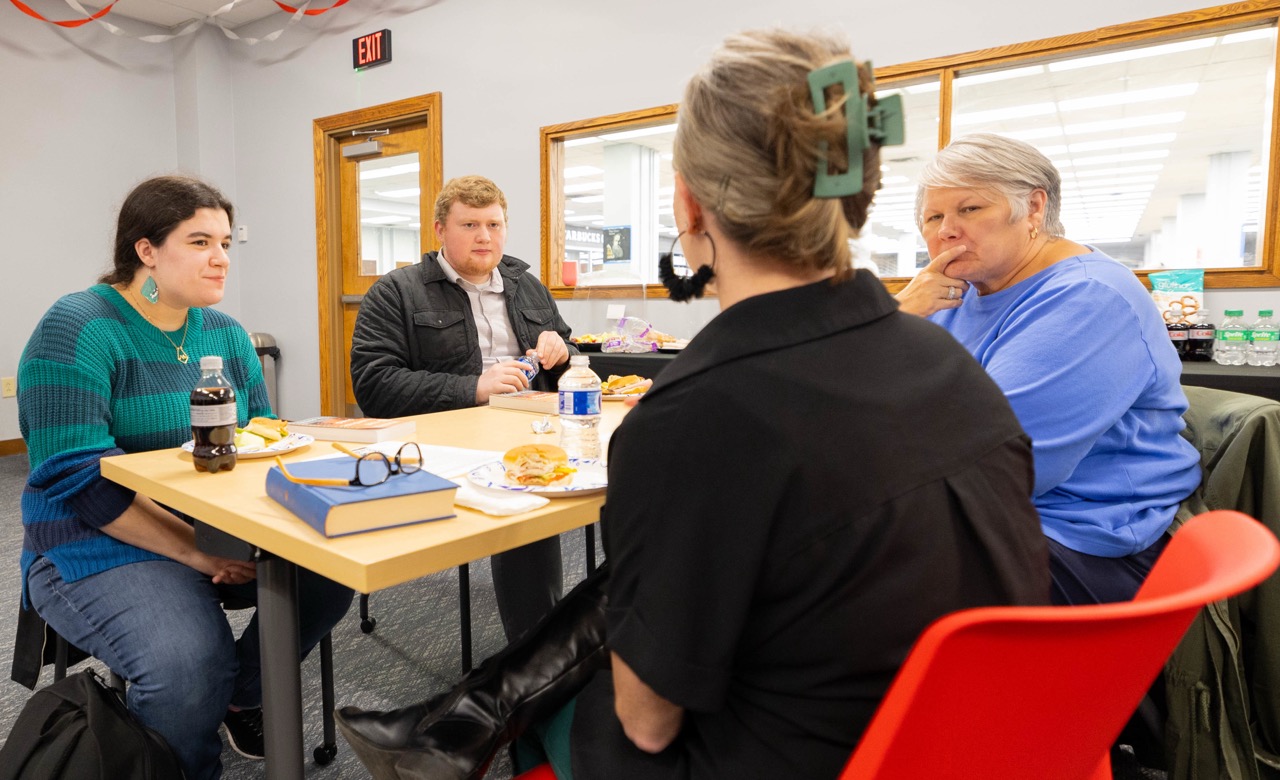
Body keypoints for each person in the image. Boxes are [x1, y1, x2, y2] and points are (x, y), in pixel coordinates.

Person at [336, 30, 1049, 780]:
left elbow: (648, 723)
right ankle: (466, 718)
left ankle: (473, 726)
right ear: (860, 195)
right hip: (971, 743)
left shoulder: (686, 421)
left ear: (688, 202)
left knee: (571, 712)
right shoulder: (956, 368)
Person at [17, 175, 353, 780]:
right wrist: (198, 552)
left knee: (330, 572)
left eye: (226, 243)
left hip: (215, 526)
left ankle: (236, 695)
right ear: (146, 250)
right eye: (200, 242)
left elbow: (260, 437)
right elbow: (75, 479)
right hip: (93, 541)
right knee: (188, 661)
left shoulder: (224, 333)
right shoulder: (79, 327)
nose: (221, 258)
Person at [895, 133, 1202, 608]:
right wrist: (897, 318)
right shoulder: (954, 292)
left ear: (1034, 208)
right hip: (983, 509)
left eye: (970, 209)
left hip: (1074, 535)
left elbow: (1000, 469)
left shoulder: (1086, 298)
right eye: (933, 217)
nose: (946, 231)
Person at [349, 174, 575, 641]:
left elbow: (568, 353)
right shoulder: (396, 293)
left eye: (494, 224)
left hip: (531, 427)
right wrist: (473, 388)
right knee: (523, 494)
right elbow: (375, 385)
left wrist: (562, 349)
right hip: (443, 441)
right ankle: (537, 655)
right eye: (470, 224)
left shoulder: (527, 286)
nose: (484, 236)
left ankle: (606, 630)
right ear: (439, 230)